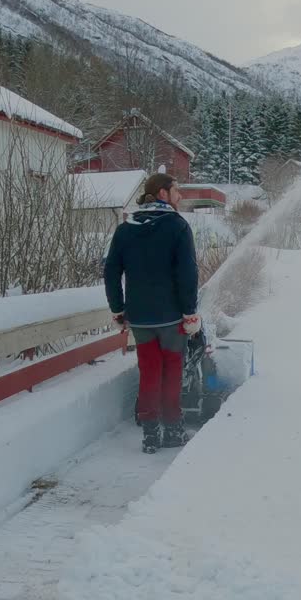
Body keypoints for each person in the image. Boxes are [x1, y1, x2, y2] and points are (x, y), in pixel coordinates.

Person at [103, 173, 201, 454]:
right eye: (176, 190)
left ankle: (150, 434)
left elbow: (111, 271)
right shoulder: (177, 226)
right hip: (172, 317)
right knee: (171, 372)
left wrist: (118, 309)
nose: (180, 196)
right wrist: (190, 312)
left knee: (149, 371)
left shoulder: (125, 229)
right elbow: (188, 273)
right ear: (162, 193)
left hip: (141, 318)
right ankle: (172, 430)